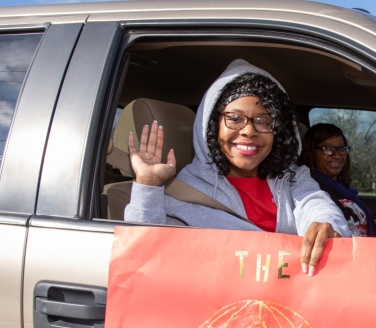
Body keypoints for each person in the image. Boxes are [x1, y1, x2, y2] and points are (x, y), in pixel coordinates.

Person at [124, 59, 350, 276]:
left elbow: (316, 204)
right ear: (213, 126)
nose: (249, 131)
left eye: (264, 121)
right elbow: (146, 256)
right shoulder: (184, 191)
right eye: (234, 118)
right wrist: (148, 186)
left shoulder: (292, 179)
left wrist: (327, 225)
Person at [298, 123, 376, 237]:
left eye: (341, 149)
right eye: (328, 149)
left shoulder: (344, 190)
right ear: (311, 153)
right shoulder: (311, 191)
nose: (337, 155)